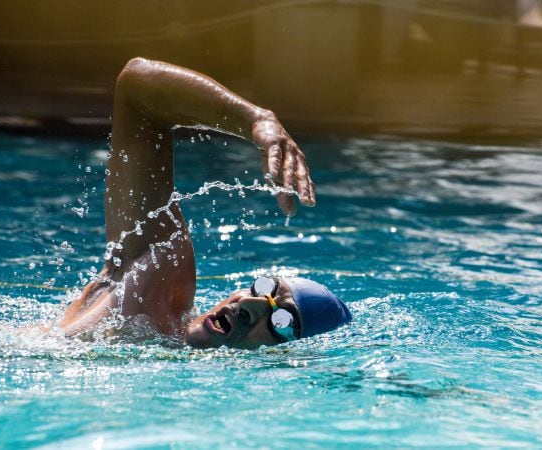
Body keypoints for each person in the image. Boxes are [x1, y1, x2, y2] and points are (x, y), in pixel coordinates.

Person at [57, 57, 351, 348]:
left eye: (282, 322)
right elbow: (137, 89)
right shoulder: (153, 283)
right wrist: (257, 119)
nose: (249, 304)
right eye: (265, 288)